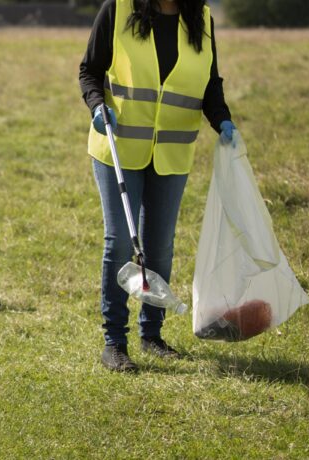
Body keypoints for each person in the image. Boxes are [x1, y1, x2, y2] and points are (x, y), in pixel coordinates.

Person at [78, 0, 236, 372]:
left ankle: (152, 335)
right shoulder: (117, 10)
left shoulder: (203, 19)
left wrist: (223, 120)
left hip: (171, 154)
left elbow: (209, 85)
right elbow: (89, 71)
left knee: (160, 248)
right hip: (119, 148)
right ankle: (114, 342)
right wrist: (97, 105)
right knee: (119, 243)